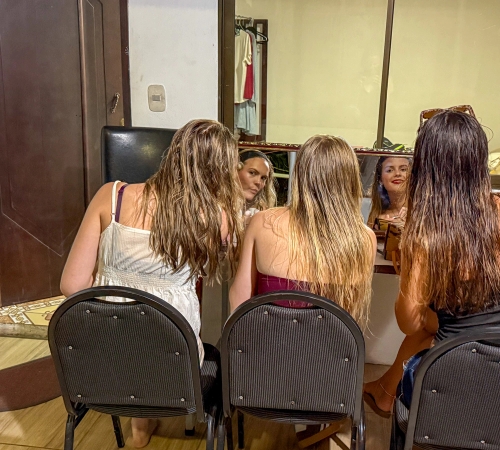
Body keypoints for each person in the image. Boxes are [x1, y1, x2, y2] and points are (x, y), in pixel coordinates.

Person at [60, 119, 244, 447]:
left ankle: (140, 428)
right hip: (173, 364)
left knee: (129, 333)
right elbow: (232, 261)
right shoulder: (217, 218)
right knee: (187, 347)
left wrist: (115, 280)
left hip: (98, 363)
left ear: (173, 153)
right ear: (221, 170)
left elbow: (72, 285)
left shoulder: (111, 196)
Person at [363, 110, 500, 416]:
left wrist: (408, 271)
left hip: (451, 388)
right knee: (435, 325)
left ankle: (387, 398)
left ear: (425, 168)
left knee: (428, 329)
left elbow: (409, 322)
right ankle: (383, 392)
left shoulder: (429, 232)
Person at [229, 135, 377, 329]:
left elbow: (240, 300)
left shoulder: (263, 222)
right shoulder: (365, 239)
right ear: (350, 179)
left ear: (300, 174)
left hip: (263, 343)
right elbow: (350, 319)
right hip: (329, 347)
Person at [367, 155, 411, 230]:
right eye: (390, 170)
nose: (397, 173)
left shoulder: (422, 212)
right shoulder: (376, 218)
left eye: (403, 169)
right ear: (380, 179)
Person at [237, 149, 277, 218]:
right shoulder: (217, 209)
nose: (258, 182)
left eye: (263, 178)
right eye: (252, 173)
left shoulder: (262, 214)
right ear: (235, 170)